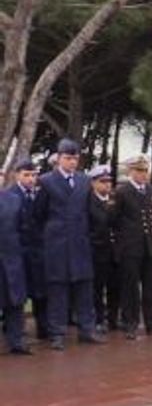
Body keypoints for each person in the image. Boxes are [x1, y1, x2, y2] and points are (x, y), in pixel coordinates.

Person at [35, 138, 105, 350]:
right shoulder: (46, 181)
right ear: (59, 158)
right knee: (58, 290)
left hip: (80, 244)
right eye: (68, 158)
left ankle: (87, 330)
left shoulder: (84, 181)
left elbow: (90, 212)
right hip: (57, 245)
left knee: (84, 288)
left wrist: (89, 236)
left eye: (75, 158)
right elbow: (39, 214)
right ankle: (57, 333)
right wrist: (50, 236)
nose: (72, 162)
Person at [115, 155, 152, 339]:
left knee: (150, 286)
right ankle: (130, 323)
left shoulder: (151, 190)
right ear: (130, 171)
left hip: (150, 245)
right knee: (130, 287)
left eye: (145, 170)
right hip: (131, 246)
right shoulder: (122, 191)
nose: (143, 174)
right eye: (139, 170)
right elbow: (113, 218)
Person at [10, 160, 48, 341]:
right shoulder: (10, 195)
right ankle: (14, 330)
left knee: (40, 291)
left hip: (39, 251)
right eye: (26, 175)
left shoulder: (40, 195)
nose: (31, 179)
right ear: (17, 175)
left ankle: (44, 328)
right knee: (18, 293)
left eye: (34, 175)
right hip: (19, 251)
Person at [87, 165, 120, 332]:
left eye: (109, 181)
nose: (107, 185)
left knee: (115, 286)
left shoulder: (114, 200)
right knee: (97, 288)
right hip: (97, 251)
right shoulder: (88, 202)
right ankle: (98, 319)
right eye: (103, 181)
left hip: (115, 251)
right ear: (93, 183)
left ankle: (113, 318)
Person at [0, 180, 30, 355]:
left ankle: (16, 341)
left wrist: (19, 250)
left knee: (15, 301)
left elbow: (23, 228)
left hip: (12, 257)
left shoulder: (14, 200)